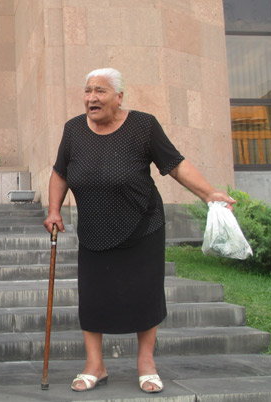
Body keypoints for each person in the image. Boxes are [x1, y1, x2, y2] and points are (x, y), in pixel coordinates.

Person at [43, 68, 236, 394]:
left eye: (100, 91)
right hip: (93, 228)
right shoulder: (74, 130)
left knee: (143, 293)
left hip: (141, 225)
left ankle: (146, 363)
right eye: (88, 91)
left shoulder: (143, 125)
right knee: (93, 298)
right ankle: (95, 365)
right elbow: (60, 173)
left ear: (119, 97)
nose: (92, 98)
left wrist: (208, 193)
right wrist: (53, 210)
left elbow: (174, 164)